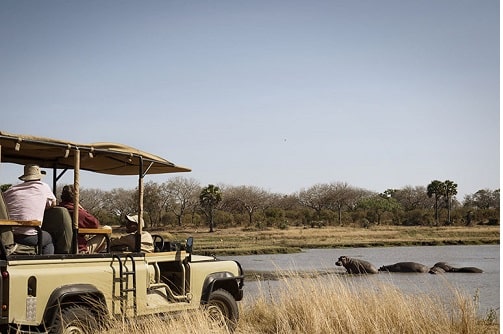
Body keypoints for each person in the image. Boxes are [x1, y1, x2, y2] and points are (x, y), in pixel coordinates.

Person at [3, 164, 56, 254]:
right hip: (29, 236)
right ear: (39, 177)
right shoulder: (43, 186)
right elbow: (53, 203)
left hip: (8, 234)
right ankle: (44, 264)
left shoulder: (11, 190)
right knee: (49, 239)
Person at [59, 185, 108, 253]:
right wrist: (83, 209)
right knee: (107, 228)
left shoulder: (57, 210)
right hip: (78, 249)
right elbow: (95, 224)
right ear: (75, 197)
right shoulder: (77, 212)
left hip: (58, 247)